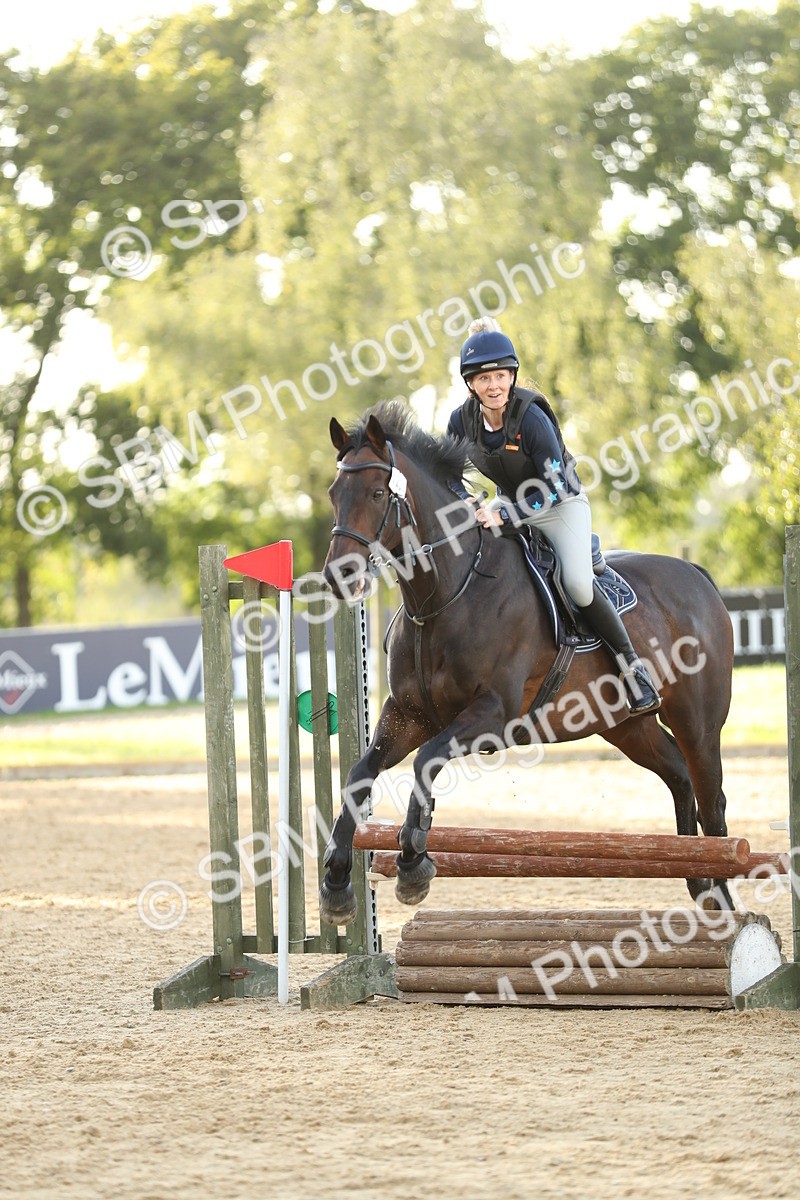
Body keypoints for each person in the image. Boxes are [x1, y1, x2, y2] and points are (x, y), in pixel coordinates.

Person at [446, 317, 661, 716]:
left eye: (500, 376)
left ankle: (634, 670)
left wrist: (507, 516)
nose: (493, 385)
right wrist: (470, 503)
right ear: (470, 383)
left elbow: (556, 486)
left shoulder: (531, 418)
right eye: (484, 378)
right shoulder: (461, 421)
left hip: (560, 506)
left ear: (512, 376)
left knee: (577, 584)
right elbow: (448, 475)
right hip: (507, 506)